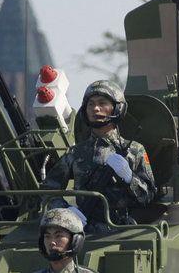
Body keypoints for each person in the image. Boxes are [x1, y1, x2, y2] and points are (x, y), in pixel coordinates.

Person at [41, 80, 155, 232]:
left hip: (125, 231)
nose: (95, 108)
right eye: (91, 104)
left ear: (117, 108)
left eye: (102, 103)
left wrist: (129, 178)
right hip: (86, 230)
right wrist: (66, 212)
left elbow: (148, 197)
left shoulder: (134, 150)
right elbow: (48, 190)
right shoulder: (75, 153)